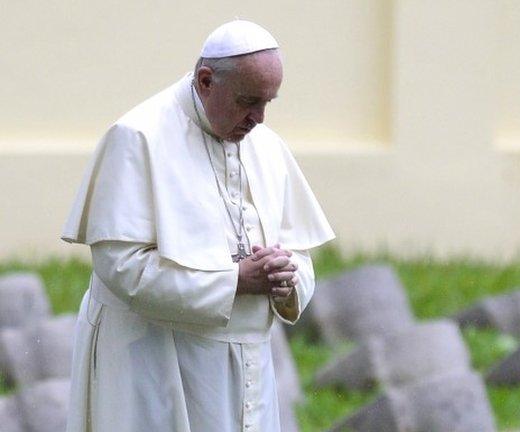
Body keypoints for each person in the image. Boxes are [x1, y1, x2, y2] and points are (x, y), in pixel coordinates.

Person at [61, 20, 334, 432]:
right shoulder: (137, 137)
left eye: (268, 103)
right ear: (206, 81)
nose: (259, 118)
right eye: (248, 101)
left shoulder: (266, 145)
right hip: (154, 362)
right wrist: (235, 282)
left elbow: (299, 252)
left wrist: (285, 278)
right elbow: (121, 268)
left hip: (247, 366)